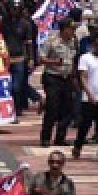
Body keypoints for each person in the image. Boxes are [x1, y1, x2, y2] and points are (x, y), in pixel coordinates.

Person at [40, 17, 79, 147]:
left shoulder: (74, 41)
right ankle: (46, 138)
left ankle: (60, 137)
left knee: (68, 109)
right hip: (52, 77)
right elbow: (41, 58)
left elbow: (74, 59)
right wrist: (54, 62)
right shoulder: (52, 40)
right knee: (52, 108)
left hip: (67, 78)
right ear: (64, 29)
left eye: (74, 29)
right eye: (71, 29)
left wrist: (74, 77)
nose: (73, 32)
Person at [73, 31, 98, 160]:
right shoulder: (85, 58)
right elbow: (83, 77)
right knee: (85, 125)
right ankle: (78, 146)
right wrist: (89, 94)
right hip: (88, 98)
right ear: (93, 45)